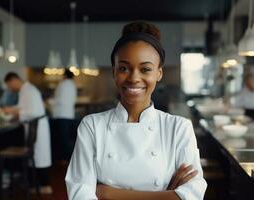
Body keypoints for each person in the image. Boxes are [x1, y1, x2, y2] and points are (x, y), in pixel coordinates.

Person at [65, 22, 207, 200]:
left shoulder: (178, 128)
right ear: (114, 72)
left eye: (145, 69)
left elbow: (192, 195)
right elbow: (79, 194)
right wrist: (166, 195)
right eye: (124, 68)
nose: (133, 78)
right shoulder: (92, 126)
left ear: (159, 73)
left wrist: (108, 193)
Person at [2, 72, 52, 194]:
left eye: (9, 85)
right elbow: (22, 107)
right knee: (36, 157)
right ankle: (35, 184)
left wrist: (13, 112)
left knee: (39, 157)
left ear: (14, 80)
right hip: (33, 128)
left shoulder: (29, 90)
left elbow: (32, 112)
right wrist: (12, 110)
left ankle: (45, 186)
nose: (10, 88)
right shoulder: (25, 90)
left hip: (38, 128)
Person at [50, 69, 77, 162]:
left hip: (61, 114)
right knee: (66, 139)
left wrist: (49, 102)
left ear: (64, 75)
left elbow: (59, 100)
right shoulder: (73, 85)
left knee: (62, 139)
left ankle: (65, 159)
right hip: (69, 114)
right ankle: (68, 159)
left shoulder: (63, 84)